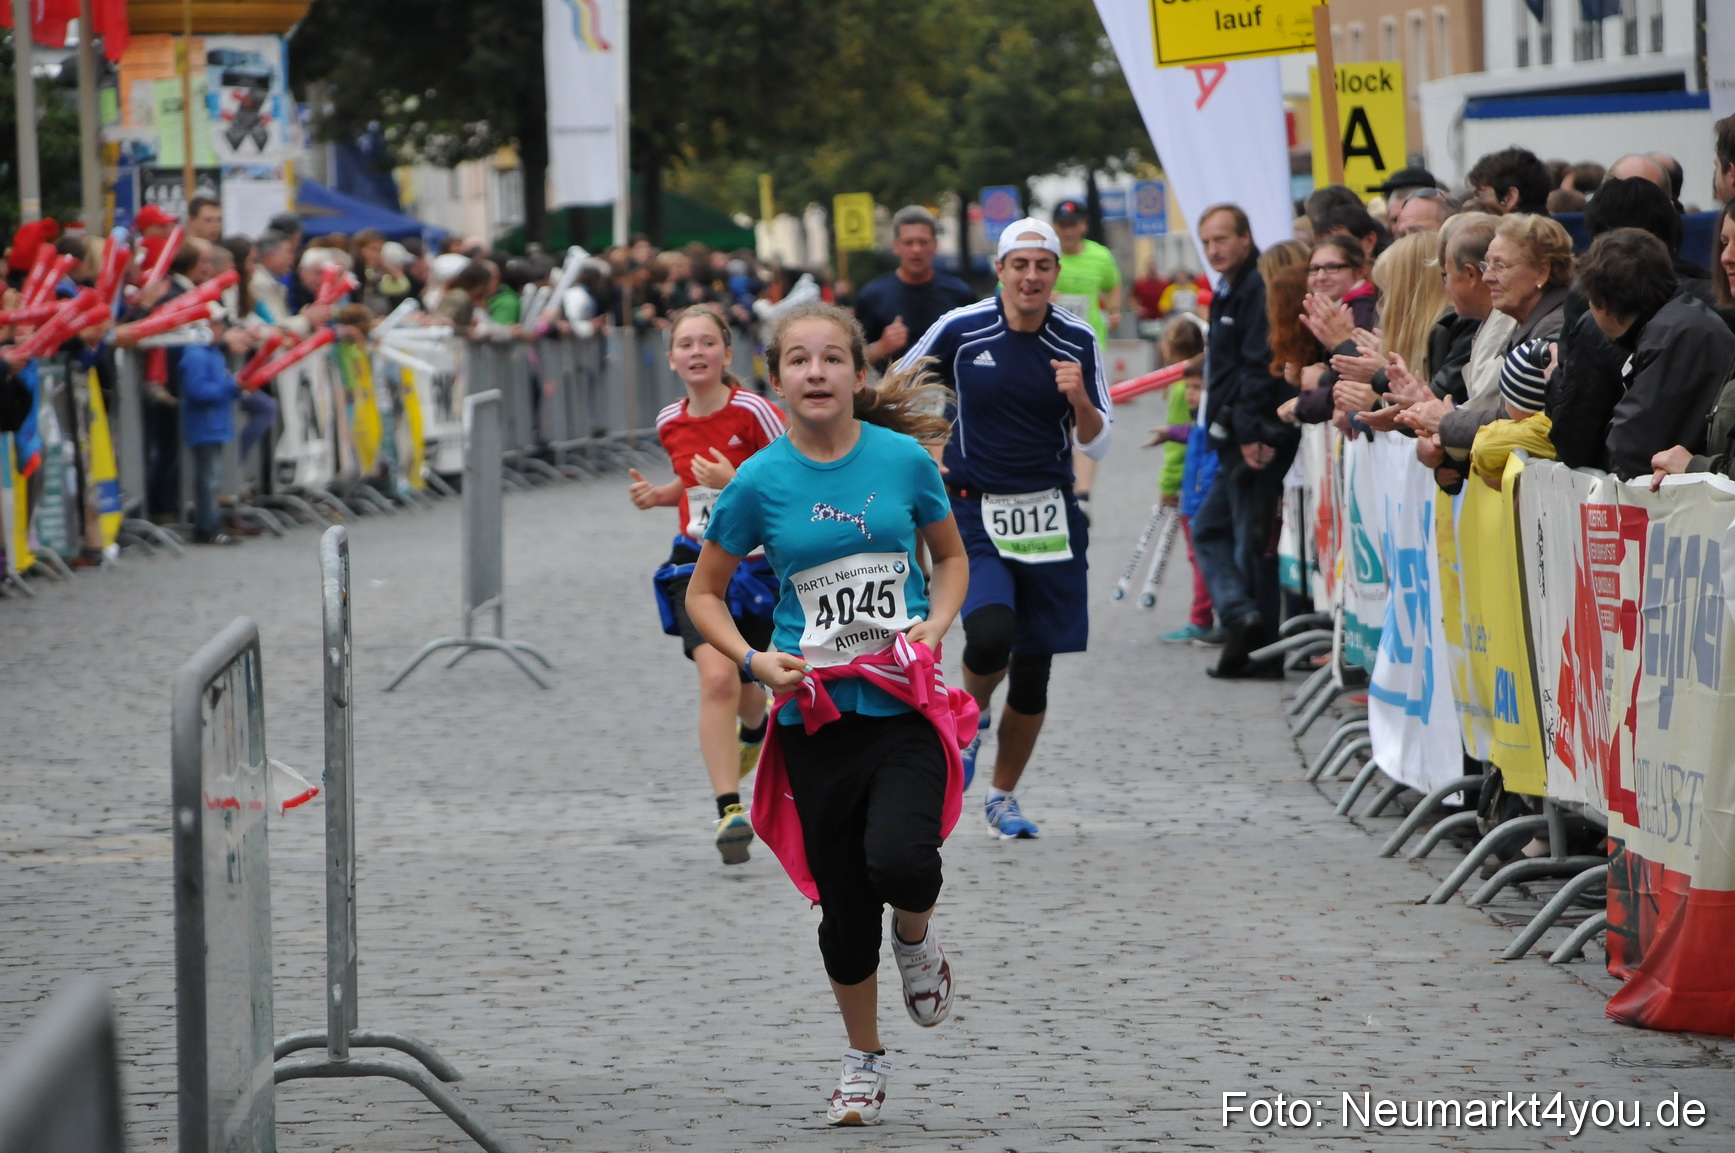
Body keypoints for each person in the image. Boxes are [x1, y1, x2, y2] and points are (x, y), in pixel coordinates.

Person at [685, 301, 971, 1128]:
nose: (816, 372)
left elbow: (951, 557)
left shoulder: (901, 461)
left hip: (902, 703)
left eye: (832, 358)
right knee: (844, 909)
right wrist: (751, 660)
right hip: (813, 717)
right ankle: (862, 1058)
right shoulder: (757, 481)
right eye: (799, 360)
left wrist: (935, 623)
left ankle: (914, 936)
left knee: (903, 862)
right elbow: (704, 593)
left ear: (855, 372)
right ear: (777, 379)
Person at [902, 217, 1112, 835]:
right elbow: (898, 386)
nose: (1030, 276)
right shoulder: (961, 328)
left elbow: (1098, 442)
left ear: (1056, 273)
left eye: (1042, 266)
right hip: (974, 509)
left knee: (1034, 669)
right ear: (1000, 271)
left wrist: (1079, 400)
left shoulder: (1076, 337)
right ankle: (973, 715)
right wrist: (925, 446)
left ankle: (1002, 797)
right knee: (991, 633)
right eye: (1019, 265)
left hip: (1049, 513)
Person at [626, 306, 786, 863]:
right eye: (685, 344)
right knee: (717, 679)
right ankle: (729, 809)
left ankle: (754, 729)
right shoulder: (670, 419)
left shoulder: (755, 411)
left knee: (749, 683)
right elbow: (689, 481)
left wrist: (733, 480)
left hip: (757, 568)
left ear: (726, 353)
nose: (696, 352)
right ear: (672, 359)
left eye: (707, 343)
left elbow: (791, 479)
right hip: (696, 562)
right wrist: (661, 495)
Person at [1187, 203, 1291, 678]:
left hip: (1251, 435)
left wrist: (1249, 431)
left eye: (1222, 239)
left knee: (1249, 543)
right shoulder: (1228, 288)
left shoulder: (1255, 287)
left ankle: (1257, 646)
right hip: (1232, 434)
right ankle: (1242, 620)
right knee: (1214, 530)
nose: (1213, 250)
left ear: (1246, 238)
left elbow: (1258, 366)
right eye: (1207, 242)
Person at [1574, 228, 1735, 479]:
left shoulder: (1670, 337)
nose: (1726, 257)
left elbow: (1630, 450)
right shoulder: (1682, 320)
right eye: (1723, 243)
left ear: (1603, 305)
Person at [1145, 315, 1216, 645]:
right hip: (1195, 486)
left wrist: (1167, 486)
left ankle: (1201, 618)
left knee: (1199, 554)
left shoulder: (1178, 389)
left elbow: (1177, 451)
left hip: (1194, 488)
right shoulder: (1191, 385)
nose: (1191, 394)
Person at [1049, 198, 1123, 514]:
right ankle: (1058, 482)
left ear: (1083, 226)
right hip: (1047, 348)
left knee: (1087, 416)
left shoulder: (1100, 256)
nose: (1067, 231)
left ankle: (1083, 494)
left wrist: (1114, 309)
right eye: (1062, 225)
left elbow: (1113, 284)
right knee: (1054, 420)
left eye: (1073, 224)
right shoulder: (1045, 256)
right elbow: (1005, 289)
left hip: (1087, 350)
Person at [853, 206, 976, 373]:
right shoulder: (872, 297)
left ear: (935, 245)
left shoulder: (961, 294)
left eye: (923, 242)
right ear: (896, 246)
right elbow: (853, 360)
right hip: (894, 388)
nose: (916, 249)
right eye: (908, 242)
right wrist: (881, 347)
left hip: (950, 387)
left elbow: (978, 349)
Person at [1465, 147, 1552, 215]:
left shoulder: (1510, 233)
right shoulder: (1555, 230)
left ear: (1509, 198)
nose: (1468, 204)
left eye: (1480, 196)